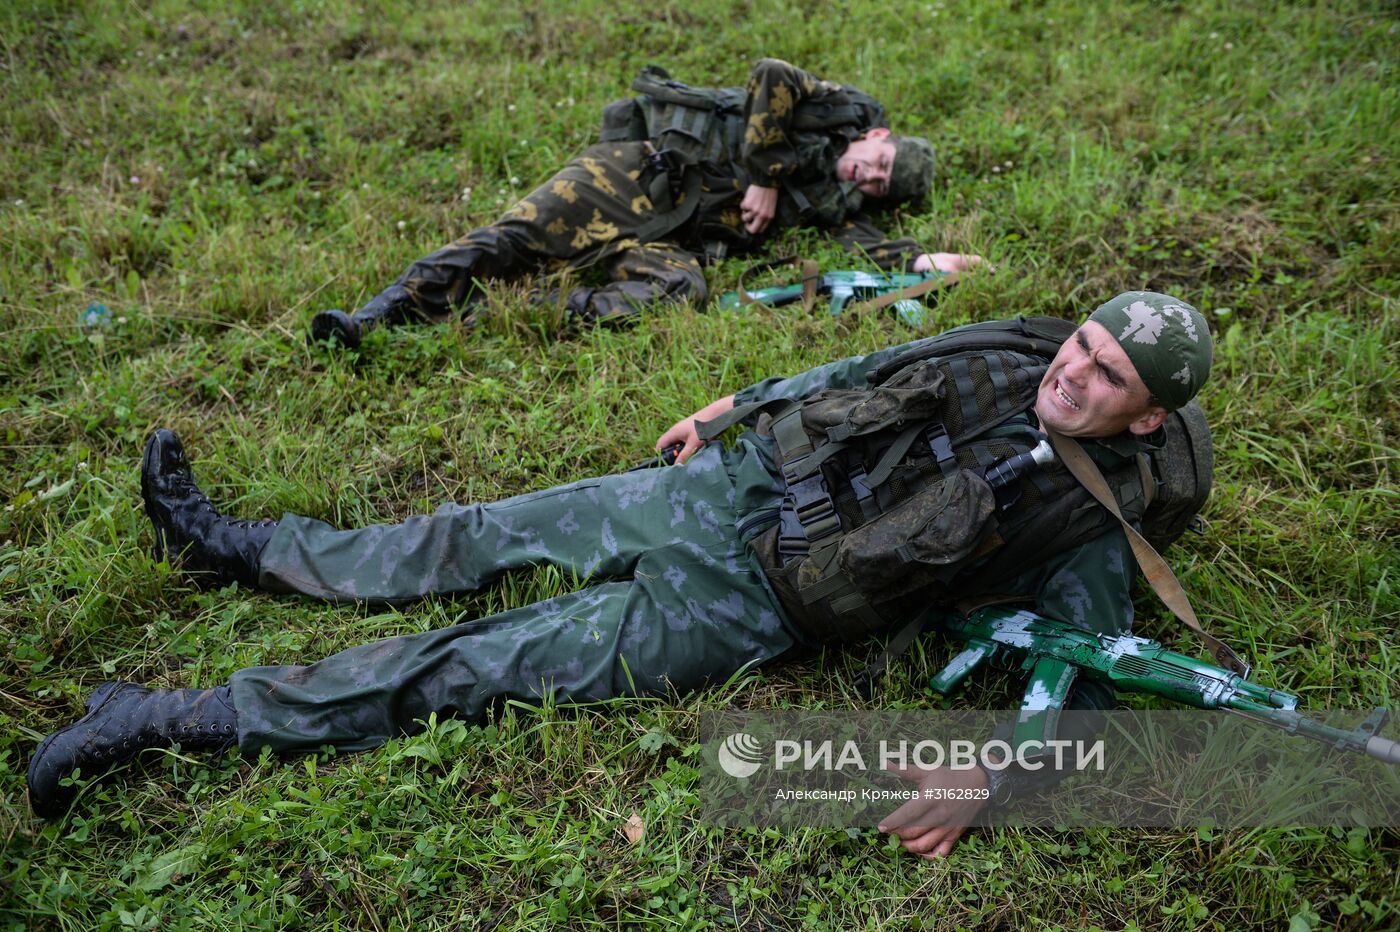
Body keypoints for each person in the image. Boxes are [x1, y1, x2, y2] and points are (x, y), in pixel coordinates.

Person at [29, 291, 1214, 860]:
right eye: (1081, 345)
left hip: (748, 601)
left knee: (471, 668)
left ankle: (165, 717)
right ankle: (234, 546)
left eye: (1105, 376)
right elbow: (878, 363)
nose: (1071, 373)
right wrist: (737, 405)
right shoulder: (1016, 348)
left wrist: (983, 778)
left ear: (1146, 416)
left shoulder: (1092, 521)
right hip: (734, 483)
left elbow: (1082, 694)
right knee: (473, 532)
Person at [308, 58, 975, 348]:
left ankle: (509, 309)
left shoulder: (839, 196)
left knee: (680, 290)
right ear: (877, 137)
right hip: (634, 176)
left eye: (878, 184)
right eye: (877, 162)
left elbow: (856, 244)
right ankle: (378, 315)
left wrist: (922, 260)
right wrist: (766, 175)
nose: (867, 174)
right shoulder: (828, 109)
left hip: (675, 235)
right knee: (515, 238)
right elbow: (771, 73)